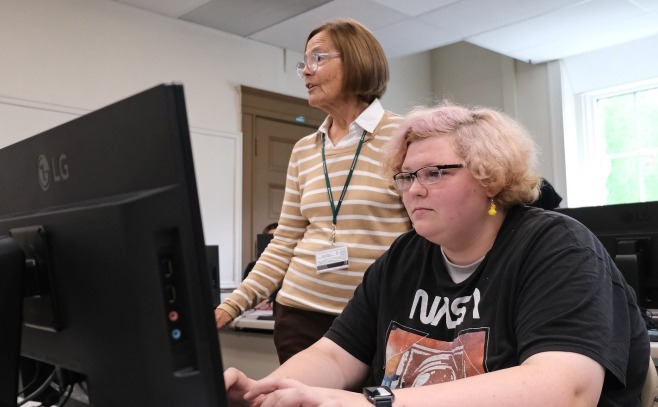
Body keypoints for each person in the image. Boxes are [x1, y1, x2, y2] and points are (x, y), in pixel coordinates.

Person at [223, 102, 650, 406]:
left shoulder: (556, 246)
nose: (414, 189)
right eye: (406, 176)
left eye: (434, 173)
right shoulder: (405, 256)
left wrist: (377, 402)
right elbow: (335, 354)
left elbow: (566, 391)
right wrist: (266, 391)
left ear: (491, 178)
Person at [215, 18, 411, 363]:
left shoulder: (405, 136)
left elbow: (428, 237)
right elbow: (285, 241)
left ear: (357, 61)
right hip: (298, 314)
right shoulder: (305, 149)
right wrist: (230, 305)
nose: (306, 71)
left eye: (318, 58)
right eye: (302, 63)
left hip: (376, 317)